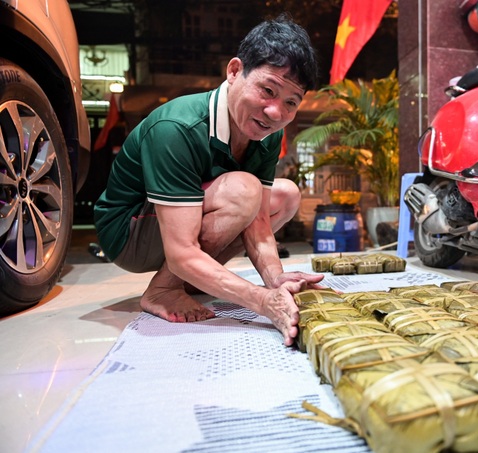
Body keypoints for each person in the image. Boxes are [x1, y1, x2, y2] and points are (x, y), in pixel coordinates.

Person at [94, 15, 323, 347]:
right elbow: (182, 250)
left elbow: (258, 219)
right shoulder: (177, 128)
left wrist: (277, 280)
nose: (275, 112)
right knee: (245, 190)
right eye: (267, 90)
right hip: (128, 232)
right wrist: (261, 302)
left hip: (184, 221)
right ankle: (164, 289)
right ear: (233, 72)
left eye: (290, 102)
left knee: (285, 195)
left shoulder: (265, 132)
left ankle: (192, 279)